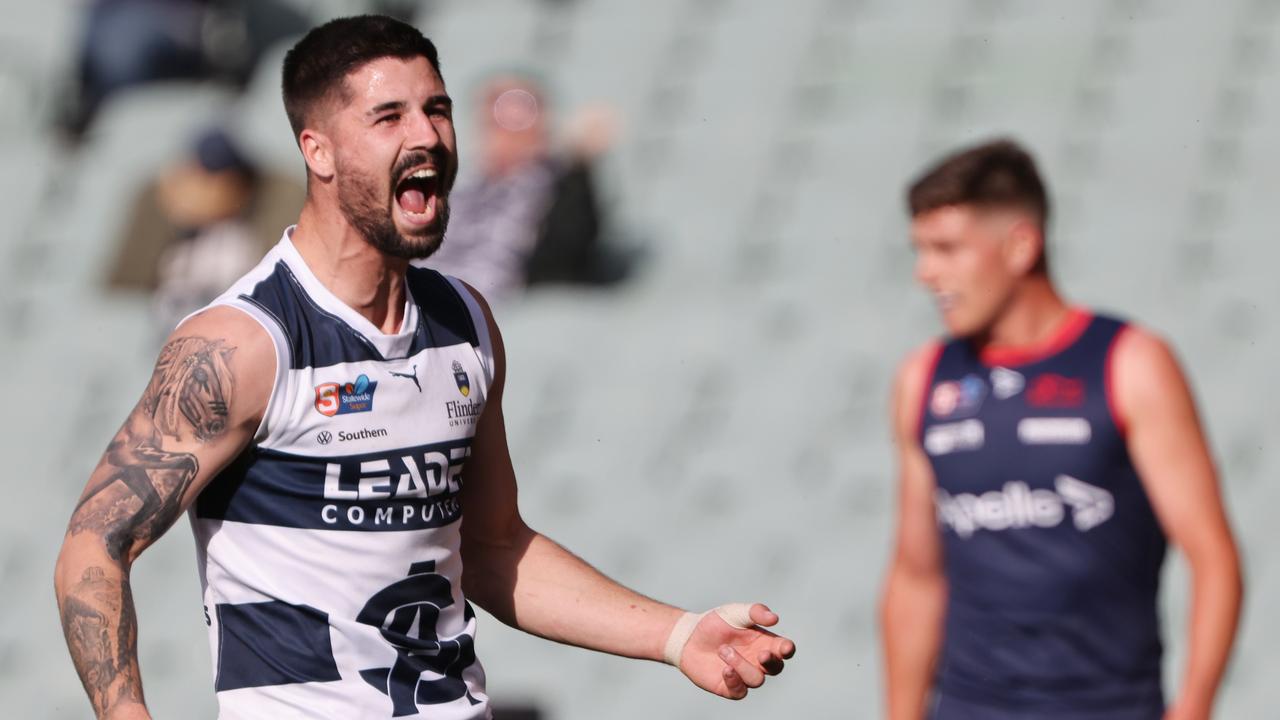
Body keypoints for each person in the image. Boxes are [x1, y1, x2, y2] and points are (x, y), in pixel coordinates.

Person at [54, 15, 794, 720]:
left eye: (437, 110)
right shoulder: (245, 342)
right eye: (390, 118)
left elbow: (495, 547)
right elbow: (96, 541)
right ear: (319, 151)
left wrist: (676, 635)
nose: (429, 137)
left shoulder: (465, 321)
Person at [879, 139, 1242, 720]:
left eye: (947, 249)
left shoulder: (1130, 363)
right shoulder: (923, 379)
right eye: (920, 250)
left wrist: (1194, 706)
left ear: (1021, 245)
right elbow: (917, 575)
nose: (926, 274)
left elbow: (1213, 555)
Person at [424, 74, 631, 301]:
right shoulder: (456, 187)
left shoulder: (558, 186)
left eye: (524, 114)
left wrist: (580, 163)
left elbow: (567, 249)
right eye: (498, 114)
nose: (509, 131)